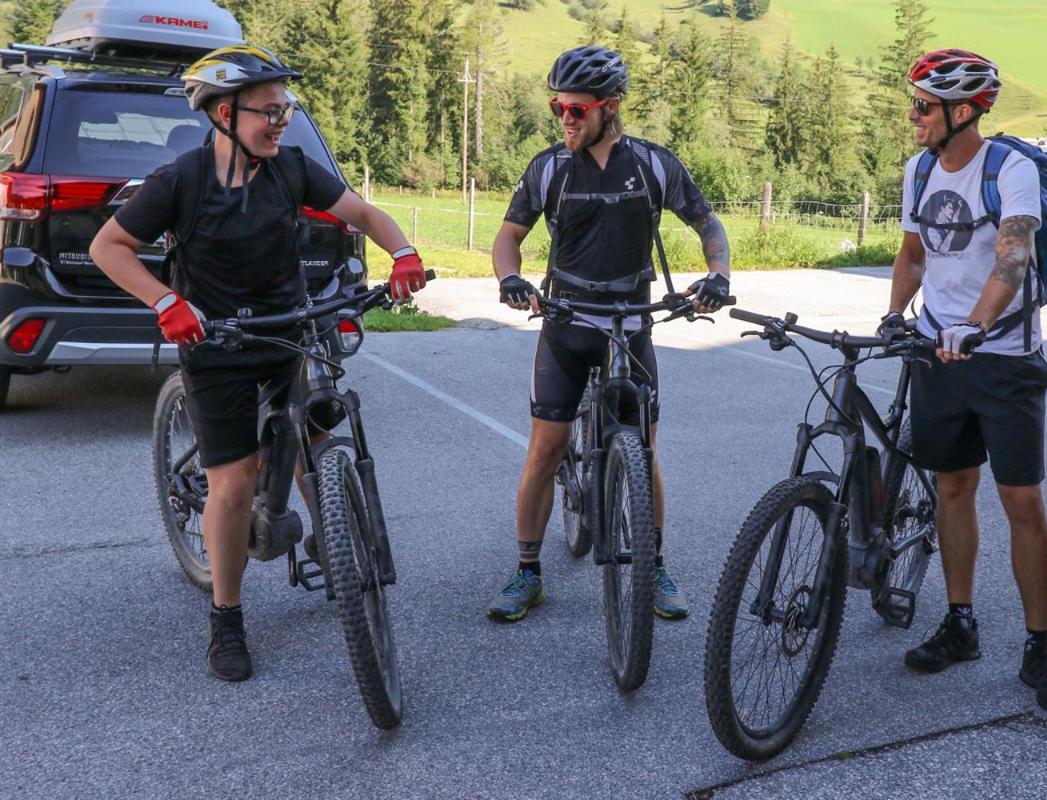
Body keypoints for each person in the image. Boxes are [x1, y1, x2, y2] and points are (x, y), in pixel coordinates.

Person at [90, 45, 427, 682]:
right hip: (216, 345)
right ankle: (227, 616)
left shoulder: (292, 169)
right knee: (236, 482)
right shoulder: (179, 182)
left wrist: (403, 251)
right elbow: (109, 247)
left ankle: (334, 541)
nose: (282, 121)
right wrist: (166, 300)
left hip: (288, 329)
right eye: (269, 111)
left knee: (317, 437)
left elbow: (358, 211)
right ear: (225, 114)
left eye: (286, 109)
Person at [486, 45, 732, 622]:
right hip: (566, 324)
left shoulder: (651, 164)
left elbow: (707, 222)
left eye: (576, 109)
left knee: (644, 451)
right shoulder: (547, 168)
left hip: (633, 325)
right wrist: (510, 277)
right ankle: (527, 572)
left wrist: (717, 275)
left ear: (609, 107)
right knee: (545, 449)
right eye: (558, 108)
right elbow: (508, 237)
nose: (565, 119)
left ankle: (653, 564)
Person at [878, 48, 1047, 713]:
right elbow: (912, 253)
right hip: (939, 354)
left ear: (962, 112)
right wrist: (892, 313)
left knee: (1021, 501)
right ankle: (960, 623)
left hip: (1004, 358)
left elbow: (1013, 254)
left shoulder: (1010, 170)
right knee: (952, 488)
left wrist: (977, 325)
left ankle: (1039, 645)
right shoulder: (919, 169)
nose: (914, 118)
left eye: (923, 107)